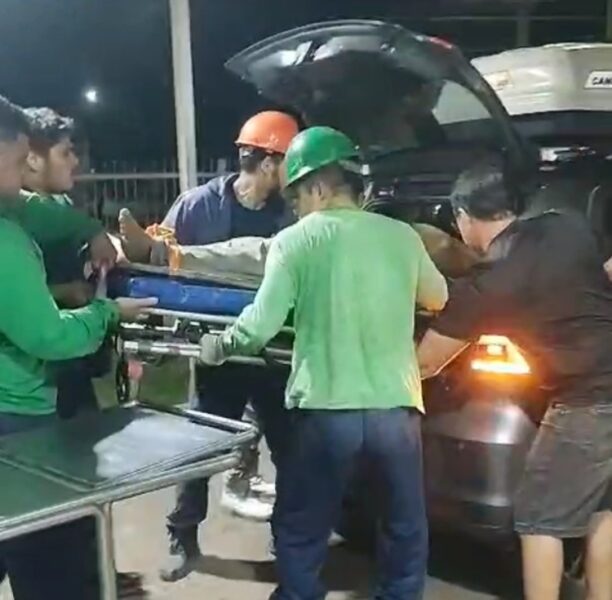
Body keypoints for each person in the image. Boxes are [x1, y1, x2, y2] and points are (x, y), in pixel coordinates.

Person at [198, 126, 448, 600]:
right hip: (395, 410)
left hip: (326, 410)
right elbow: (438, 297)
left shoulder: (295, 242)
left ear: (316, 187)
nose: (294, 208)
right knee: (403, 527)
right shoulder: (402, 236)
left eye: (296, 198)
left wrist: (220, 345)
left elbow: (259, 327)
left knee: (304, 524)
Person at [417, 157, 612, 600]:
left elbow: (427, 364)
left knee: (539, 518)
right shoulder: (565, 225)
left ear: (463, 217)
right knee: (602, 509)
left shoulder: (491, 282)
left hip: (588, 401)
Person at [121, 110, 300, 583]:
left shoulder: (295, 213)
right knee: (199, 449)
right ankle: (182, 537)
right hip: (216, 351)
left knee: (290, 452)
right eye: (290, 161)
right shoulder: (198, 206)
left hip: (277, 353)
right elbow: (158, 264)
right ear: (268, 162)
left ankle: (289, 543)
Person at [0, 94, 156, 600]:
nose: (20, 179)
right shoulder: (5, 239)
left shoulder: (20, 217)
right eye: (16, 160)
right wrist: (105, 313)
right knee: (44, 556)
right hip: (16, 415)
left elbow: (42, 216)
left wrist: (90, 231)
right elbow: (48, 335)